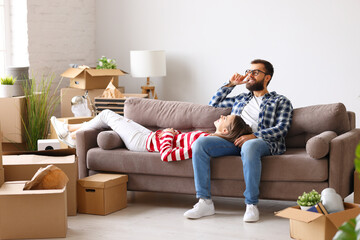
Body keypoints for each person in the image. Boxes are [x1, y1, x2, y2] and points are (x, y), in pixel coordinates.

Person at [184, 59, 293, 222]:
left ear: (267, 78)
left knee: (249, 146)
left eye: (255, 72)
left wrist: (254, 136)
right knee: (200, 143)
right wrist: (231, 84)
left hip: (262, 142)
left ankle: (251, 204)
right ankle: (204, 202)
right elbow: (213, 104)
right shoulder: (240, 99)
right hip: (232, 140)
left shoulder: (280, 101)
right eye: (249, 71)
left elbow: (282, 128)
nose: (249, 75)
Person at [51, 110, 252, 162]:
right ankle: (70, 131)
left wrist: (167, 134)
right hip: (149, 136)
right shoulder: (208, 138)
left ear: (225, 131)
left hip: (144, 143)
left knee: (105, 115)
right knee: (115, 119)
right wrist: (172, 133)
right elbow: (178, 142)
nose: (222, 115)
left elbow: (167, 155)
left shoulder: (203, 143)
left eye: (226, 118)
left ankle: (70, 135)